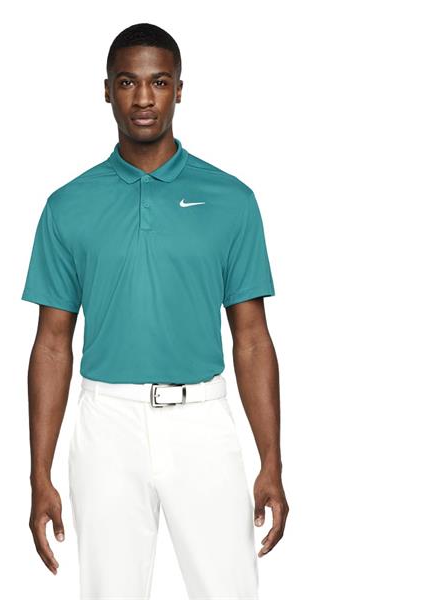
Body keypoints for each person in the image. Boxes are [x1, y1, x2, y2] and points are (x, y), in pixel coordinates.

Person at [21, 22, 288, 600]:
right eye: (128, 82)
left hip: (202, 422)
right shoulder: (68, 206)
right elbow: (51, 344)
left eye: (159, 82)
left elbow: (251, 338)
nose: (143, 98)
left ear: (179, 90)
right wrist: (39, 473)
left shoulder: (232, 200)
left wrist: (272, 460)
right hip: (105, 424)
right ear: (107, 90)